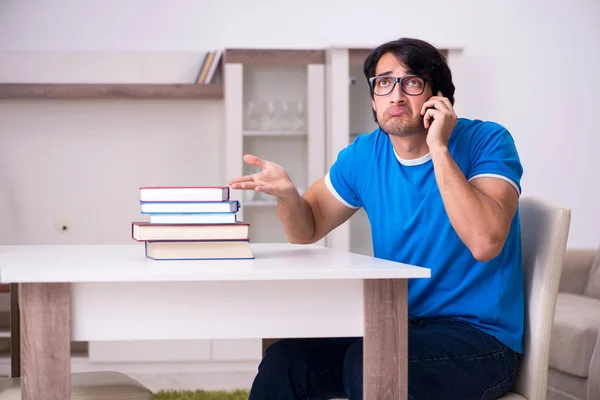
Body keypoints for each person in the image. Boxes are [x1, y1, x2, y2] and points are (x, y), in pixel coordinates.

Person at [228, 37, 524, 400]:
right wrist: (289, 197)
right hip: (398, 325)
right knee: (287, 359)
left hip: (480, 339)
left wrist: (439, 148)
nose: (396, 96)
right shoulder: (365, 154)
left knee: (369, 362)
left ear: (439, 97)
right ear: (372, 98)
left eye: (412, 82)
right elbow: (307, 228)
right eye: (384, 83)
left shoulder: (486, 141)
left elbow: (485, 242)